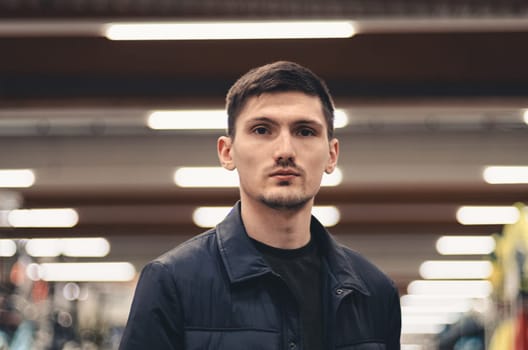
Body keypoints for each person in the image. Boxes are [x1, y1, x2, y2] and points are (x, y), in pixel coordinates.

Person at [119, 61, 401, 350]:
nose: (285, 152)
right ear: (227, 153)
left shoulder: (373, 291)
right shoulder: (172, 283)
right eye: (262, 130)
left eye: (305, 132)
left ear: (332, 155)